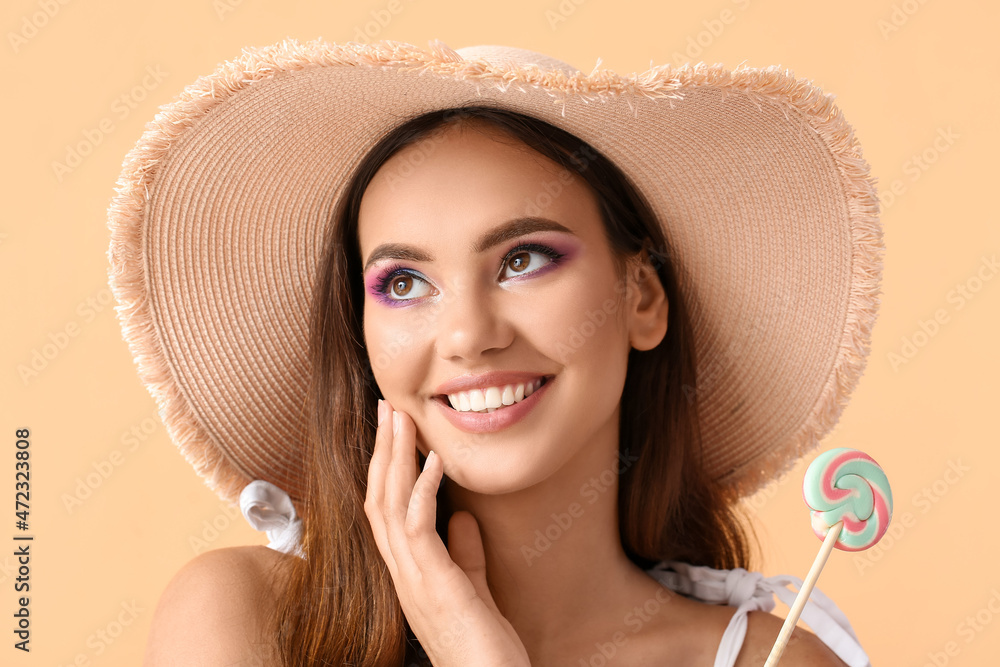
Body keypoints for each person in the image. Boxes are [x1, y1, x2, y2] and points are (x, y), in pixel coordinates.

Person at [106, 38, 883, 666]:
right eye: (405, 281)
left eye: (523, 259)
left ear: (642, 296)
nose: (470, 334)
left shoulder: (777, 660)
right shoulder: (248, 619)